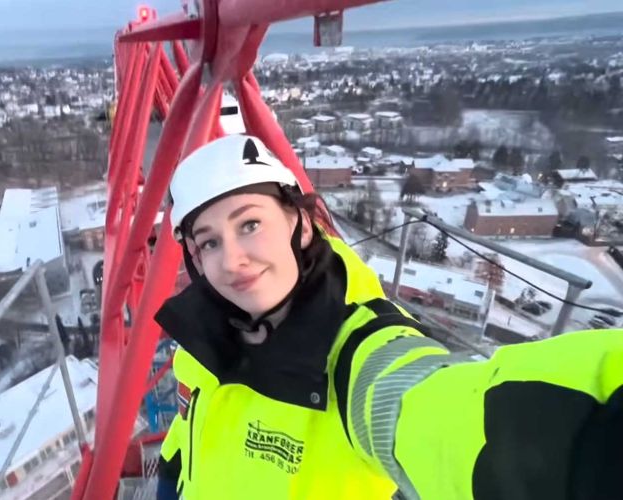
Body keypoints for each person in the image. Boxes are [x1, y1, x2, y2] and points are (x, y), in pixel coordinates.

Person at [154, 134, 623, 500]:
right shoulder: (207, 335)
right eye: (210, 242)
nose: (232, 260)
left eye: (250, 224)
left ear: (300, 223)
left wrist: (590, 443)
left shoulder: (355, 360)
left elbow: (437, 413)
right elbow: (187, 435)